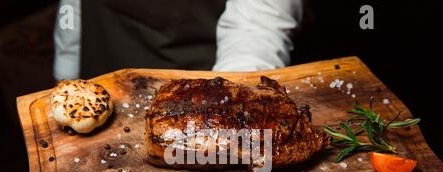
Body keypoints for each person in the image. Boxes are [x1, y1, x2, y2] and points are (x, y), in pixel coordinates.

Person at [53, 0, 302, 80]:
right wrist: (66, 72)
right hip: (100, 68)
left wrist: (231, 105)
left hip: (199, 81)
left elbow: (257, 23)